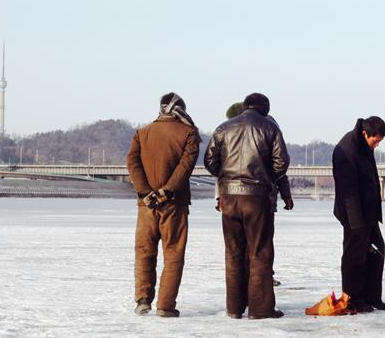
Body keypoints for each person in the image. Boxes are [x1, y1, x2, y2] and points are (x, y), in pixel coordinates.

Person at [204, 93, 293, 319]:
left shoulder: (223, 128)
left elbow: (210, 161)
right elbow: (281, 162)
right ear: (265, 108)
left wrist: (227, 179)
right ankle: (260, 309)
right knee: (260, 252)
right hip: (257, 197)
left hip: (229, 198)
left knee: (233, 252)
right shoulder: (270, 128)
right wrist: (264, 178)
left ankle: (234, 308)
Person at [126, 92, 201, 317]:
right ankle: (166, 306)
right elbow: (185, 167)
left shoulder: (143, 132)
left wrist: (146, 192)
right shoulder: (189, 133)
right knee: (173, 253)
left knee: (144, 252)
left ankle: (143, 299)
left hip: (146, 205)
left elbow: (133, 162)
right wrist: (166, 191)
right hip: (174, 204)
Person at [219, 101, 290, 287]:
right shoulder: (270, 128)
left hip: (234, 197)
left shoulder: (227, 130)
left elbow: (219, 167)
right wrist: (270, 182)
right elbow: (280, 165)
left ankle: (238, 300)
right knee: (261, 245)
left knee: (237, 248)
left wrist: (222, 195)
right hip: (262, 196)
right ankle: (261, 285)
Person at [332, 116, 385, 313]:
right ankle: (353, 298)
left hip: (369, 213)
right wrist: (356, 222)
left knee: (377, 251)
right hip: (353, 215)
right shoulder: (347, 149)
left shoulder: (365, 146)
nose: (377, 144)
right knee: (354, 256)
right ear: (365, 133)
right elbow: (348, 190)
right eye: (376, 140)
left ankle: (372, 296)